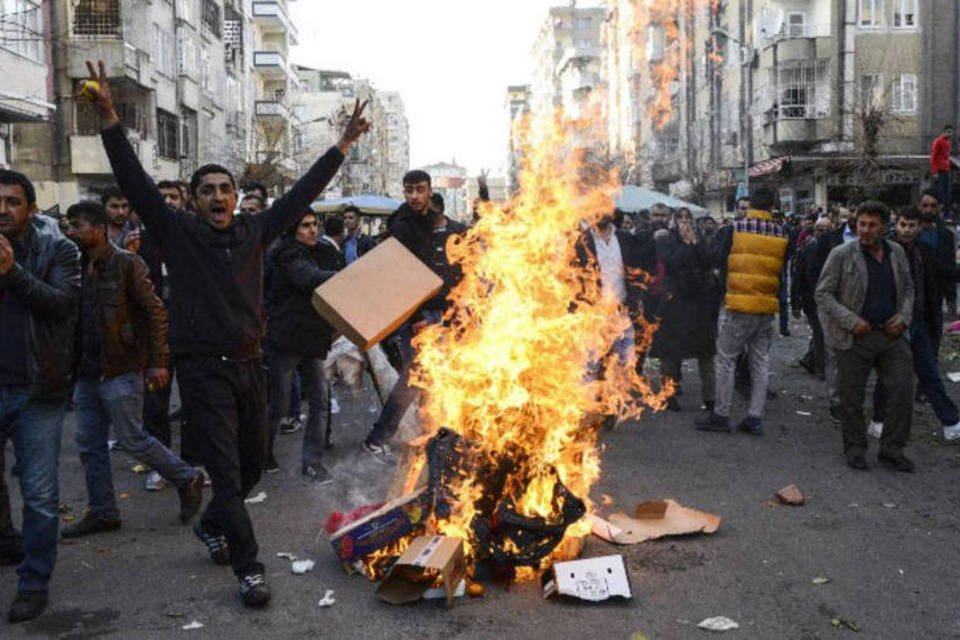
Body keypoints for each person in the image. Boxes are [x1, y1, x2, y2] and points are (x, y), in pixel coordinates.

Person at [87, 59, 370, 607]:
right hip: (201, 371)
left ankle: (211, 525)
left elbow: (304, 191)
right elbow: (135, 182)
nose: (217, 197)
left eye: (225, 189)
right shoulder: (177, 232)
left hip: (250, 366)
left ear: (237, 197)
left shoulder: (257, 230)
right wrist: (108, 121)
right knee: (222, 469)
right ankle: (250, 568)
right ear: (194, 200)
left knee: (249, 472)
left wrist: (342, 145)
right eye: (207, 190)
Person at [61, 201, 204, 537]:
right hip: (87, 372)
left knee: (132, 439)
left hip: (121, 367)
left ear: (96, 228)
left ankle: (186, 476)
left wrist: (157, 361)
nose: (71, 232)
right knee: (89, 444)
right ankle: (103, 511)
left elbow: (155, 313)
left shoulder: (127, 263)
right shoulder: (77, 265)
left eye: (77, 225)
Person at [0, 169, 80, 623]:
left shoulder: (58, 249)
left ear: (30, 209)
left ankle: (33, 583)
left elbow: (60, 305)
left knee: (40, 495)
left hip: (37, 392)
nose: (3, 210)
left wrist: (12, 273)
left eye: (13, 202)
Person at [815, 201, 915, 472]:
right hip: (854, 337)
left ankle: (892, 450)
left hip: (891, 335)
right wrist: (851, 320)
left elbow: (908, 290)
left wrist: (903, 318)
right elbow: (823, 294)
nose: (865, 230)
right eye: (861, 224)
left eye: (872, 225)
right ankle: (856, 448)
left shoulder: (896, 253)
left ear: (884, 227)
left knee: (903, 390)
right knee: (851, 399)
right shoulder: (841, 254)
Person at [696, 188, 788, 436]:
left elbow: (715, 258)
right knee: (760, 362)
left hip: (738, 306)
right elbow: (780, 269)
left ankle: (721, 414)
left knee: (726, 359)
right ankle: (755, 417)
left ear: (750, 205)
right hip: (766, 307)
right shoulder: (781, 232)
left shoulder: (734, 230)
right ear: (772, 206)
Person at [362, 170, 439, 459]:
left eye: (420, 189)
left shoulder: (429, 220)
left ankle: (431, 432)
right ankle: (377, 437)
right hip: (418, 314)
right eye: (409, 190)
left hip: (437, 310)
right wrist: (417, 315)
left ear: (430, 190)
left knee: (428, 376)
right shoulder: (402, 224)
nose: (414, 196)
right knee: (413, 377)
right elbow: (403, 276)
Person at [871, 206, 960, 442]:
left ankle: (951, 421)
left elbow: (944, 273)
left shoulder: (925, 252)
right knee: (888, 375)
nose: (907, 230)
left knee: (929, 372)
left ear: (920, 227)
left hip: (918, 322)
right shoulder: (884, 249)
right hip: (891, 323)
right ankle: (878, 419)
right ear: (895, 225)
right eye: (903, 225)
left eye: (912, 226)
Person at [264, 211, 340, 482]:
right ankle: (262, 453)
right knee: (279, 404)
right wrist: (348, 276)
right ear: (292, 230)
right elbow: (309, 279)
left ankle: (312, 462)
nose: (312, 230)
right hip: (286, 339)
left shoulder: (322, 250)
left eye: (314, 225)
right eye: (305, 226)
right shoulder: (287, 254)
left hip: (312, 338)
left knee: (320, 400)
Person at [650, 207, 718, 413]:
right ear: (674, 220)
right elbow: (670, 264)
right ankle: (669, 395)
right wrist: (686, 245)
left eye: (688, 218)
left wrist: (695, 243)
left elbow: (708, 261)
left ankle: (710, 398)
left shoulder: (700, 237)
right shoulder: (666, 239)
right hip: (675, 301)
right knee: (670, 352)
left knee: (706, 352)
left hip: (698, 300)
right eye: (680, 218)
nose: (684, 222)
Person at [792, 216, 834, 379]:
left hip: (829, 299)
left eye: (826, 230)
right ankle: (820, 368)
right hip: (811, 300)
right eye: (819, 230)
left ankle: (809, 359)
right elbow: (797, 276)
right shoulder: (807, 249)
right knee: (820, 333)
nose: (822, 234)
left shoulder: (834, 250)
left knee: (822, 332)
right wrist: (795, 302)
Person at [918, 188, 957, 352]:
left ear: (940, 207)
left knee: (934, 340)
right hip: (913, 296)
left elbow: (950, 267)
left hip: (936, 295)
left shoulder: (946, 235)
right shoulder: (910, 232)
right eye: (925, 205)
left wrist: (951, 299)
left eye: (933, 206)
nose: (928, 210)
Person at [931, 125, 954, 219]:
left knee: (947, 194)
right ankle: (936, 214)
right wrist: (934, 171)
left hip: (946, 170)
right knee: (939, 193)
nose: (950, 134)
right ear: (944, 131)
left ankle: (946, 215)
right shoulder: (938, 141)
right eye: (948, 132)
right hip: (939, 171)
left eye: (951, 132)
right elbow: (933, 156)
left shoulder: (948, 142)